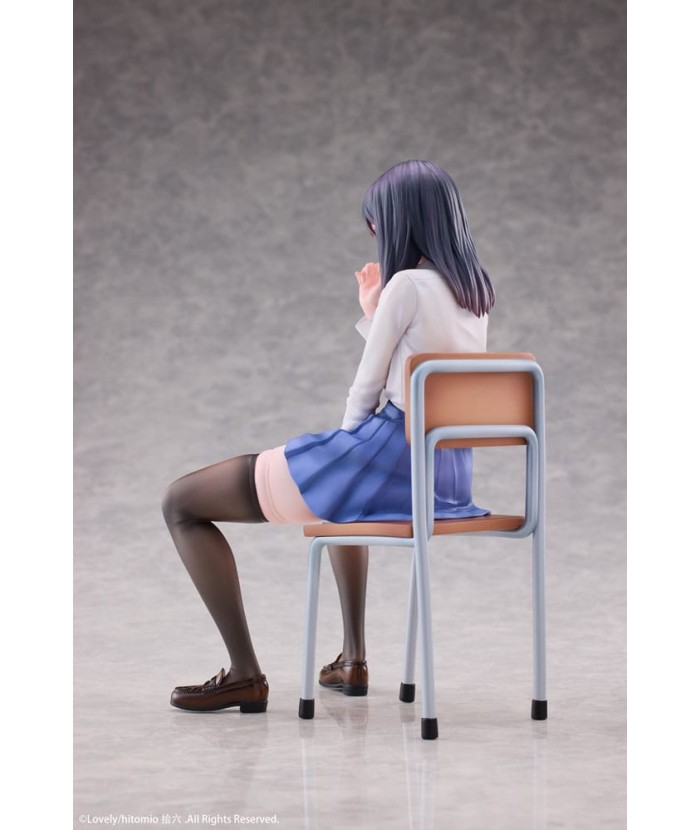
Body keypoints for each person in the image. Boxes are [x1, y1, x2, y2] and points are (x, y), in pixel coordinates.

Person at [162, 159, 495, 713]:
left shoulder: (406, 285)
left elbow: (367, 388)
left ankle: (244, 674)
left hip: (390, 456)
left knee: (181, 502)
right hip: (443, 475)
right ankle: (352, 659)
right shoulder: (475, 291)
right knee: (345, 502)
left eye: (377, 222)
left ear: (401, 220)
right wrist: (376, 315)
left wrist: (342, 450)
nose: (374, 232)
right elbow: (422, 373)